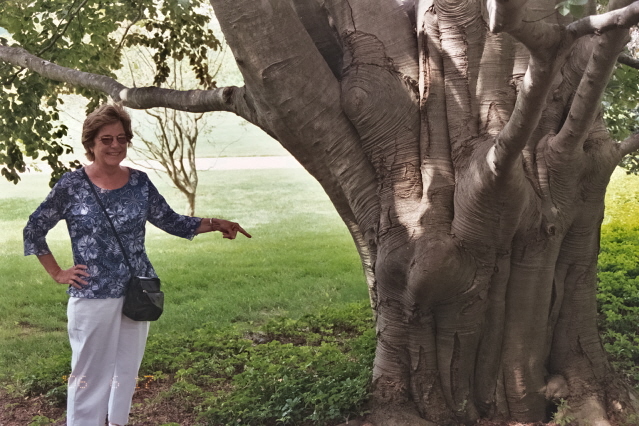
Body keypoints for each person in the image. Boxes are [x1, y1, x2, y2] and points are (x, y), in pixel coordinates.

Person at [23, 103, 251, 426]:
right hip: (93, 293)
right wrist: (58, 273)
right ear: (91, 144)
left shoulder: (139, 183)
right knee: (89, 375)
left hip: (136, 291)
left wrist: (217, 224)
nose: (115, 145)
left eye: (121, 138)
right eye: (106, 139)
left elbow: (171, 221)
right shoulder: (72, 186)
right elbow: (34, 229)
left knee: (126, 370)